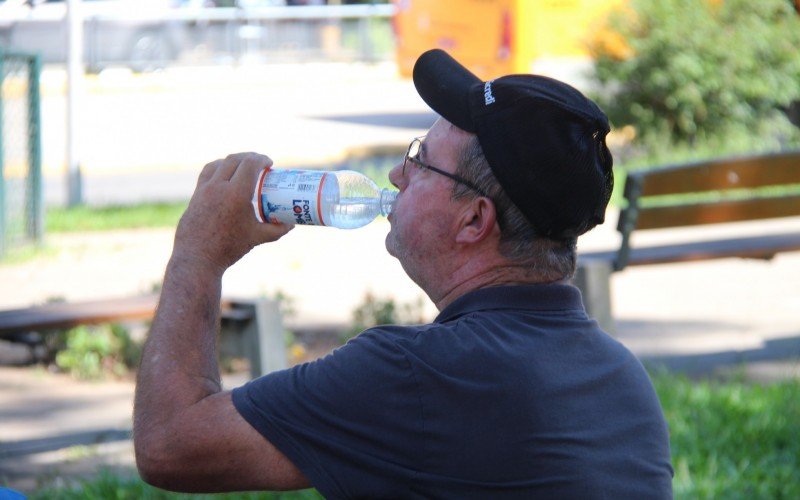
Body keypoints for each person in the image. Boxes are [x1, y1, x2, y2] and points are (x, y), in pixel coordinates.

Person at [133, 49, 674, 498]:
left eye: (420, 159)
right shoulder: (621, 377)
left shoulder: (415, 374)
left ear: (474, 219)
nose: (396, 174)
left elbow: (169, 445)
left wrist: (199, 252)